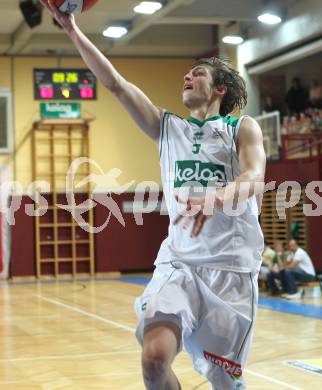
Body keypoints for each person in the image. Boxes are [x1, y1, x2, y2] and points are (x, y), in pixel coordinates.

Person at [41, 2, 266, 389]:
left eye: (198, 73)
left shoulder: (240, 128)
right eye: (188, 72)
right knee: (153, 359)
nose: (187, 76)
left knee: (225, 383)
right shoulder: (168, 128)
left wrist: (215, 199)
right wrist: (72, 30)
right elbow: (114, 82)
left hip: (230, 271)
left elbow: (255, 176)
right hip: (180, 264)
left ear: (220, 89)